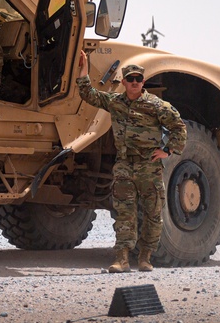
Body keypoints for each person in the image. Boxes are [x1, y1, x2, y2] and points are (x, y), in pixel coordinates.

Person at [76, 50, 186, 273]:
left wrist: (168, 150)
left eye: (138, 79)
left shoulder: (156, 105)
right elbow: (88, 94)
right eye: (131, 79)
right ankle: (122, 259)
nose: (134, 83)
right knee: (124, 214)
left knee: (153, 214)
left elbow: (178, 127)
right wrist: (84, 69)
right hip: (124, 166)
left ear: (143, 81)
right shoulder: (115, 102)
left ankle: (145, 257)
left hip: (149, 167)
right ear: (124, 82)